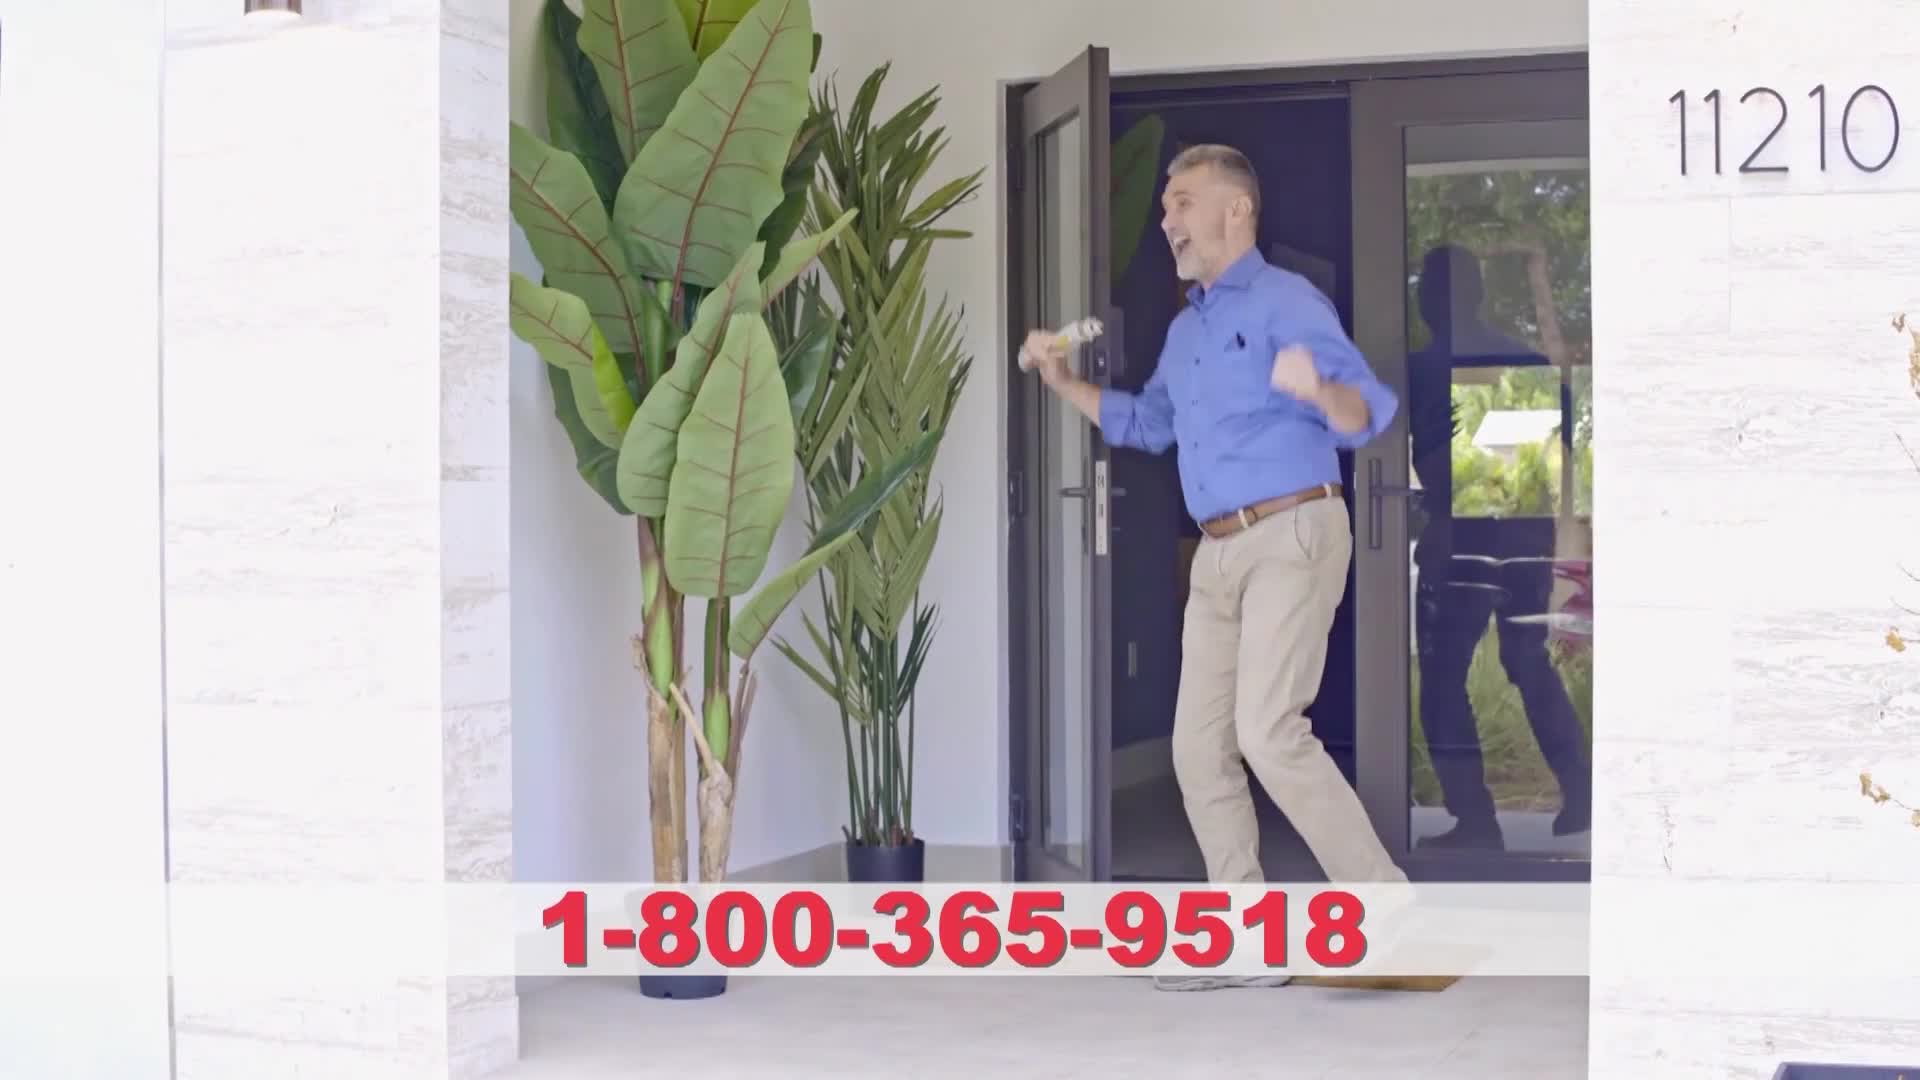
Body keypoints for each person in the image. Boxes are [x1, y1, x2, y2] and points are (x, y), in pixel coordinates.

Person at [1020, 143, 1410, 991]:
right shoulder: (1186, 327)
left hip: (1293, 531)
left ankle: (1389, 915)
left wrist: (1316, 391)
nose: (1168, 223)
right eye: (1166, 209)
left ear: (1237, 210)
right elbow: (1147, 422)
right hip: (1219, 551)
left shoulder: (1285, 300)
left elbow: (1364, 408)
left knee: (1269, 732)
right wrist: (1059, 381)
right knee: (1198, 749)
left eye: (1183, 204)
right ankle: (1249, 940)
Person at [1407, 245, 1591, 849]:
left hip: (1463, 544)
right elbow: (1553, 458)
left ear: (1434, 298)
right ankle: (1582, 787)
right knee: (1526, 659)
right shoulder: (1525, 359)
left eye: (1425, 287)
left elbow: (1434, 463)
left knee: (1441, 676)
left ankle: (1476, 821)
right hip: (1524, 537)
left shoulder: (1425, 365)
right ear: (1479, 293)